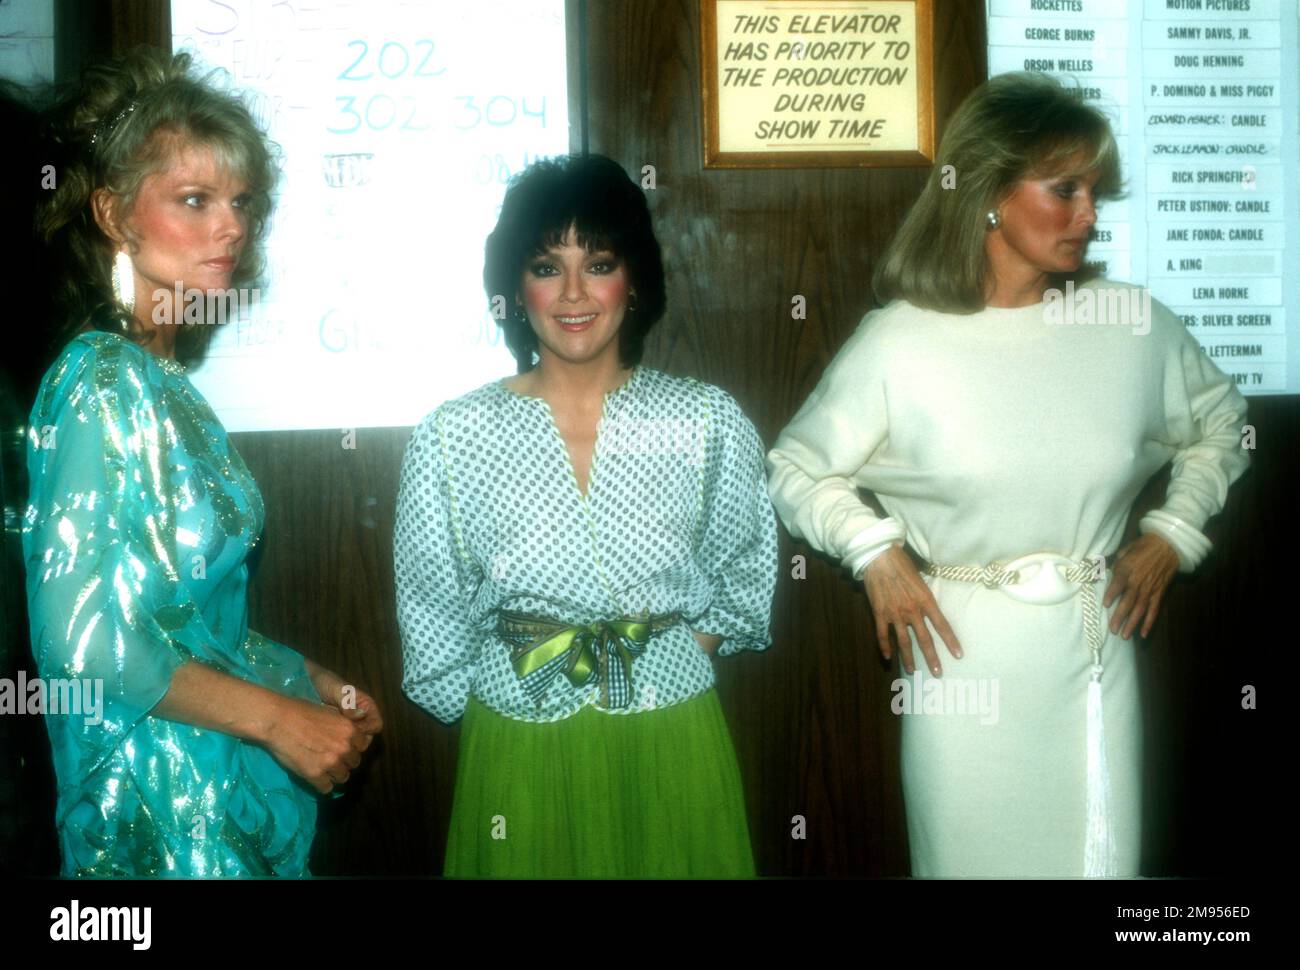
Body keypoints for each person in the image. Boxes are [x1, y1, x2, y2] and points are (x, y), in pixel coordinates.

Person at [766, 72, 1250, 878]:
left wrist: (1174, 531)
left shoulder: (1129, 324)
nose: (1089, 214)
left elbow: (1225, 425)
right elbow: (795, 465)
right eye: (1065, 189)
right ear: (987, 191)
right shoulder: (902, 341)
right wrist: (873, 550)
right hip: (960, 661)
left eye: (1095, 191)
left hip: (1097, 654)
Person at [25, 49, 382, 877]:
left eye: (241, 202)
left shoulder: (160, 380)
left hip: (204, 786)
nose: (231, 226)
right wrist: (275, 720)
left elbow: (178, 619)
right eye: (195, 200)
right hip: (154, 810)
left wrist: (301, 676)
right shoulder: (101, 378)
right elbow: (83, 647)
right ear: (114, 215)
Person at [395, 153, 777, 877]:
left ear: (634, 282)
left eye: (598, 263)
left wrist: (663, 654)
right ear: (516, 286)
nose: (573, 293)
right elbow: (431, 616)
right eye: (546, 267)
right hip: (518, 748)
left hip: (672, 738)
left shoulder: (705, 419)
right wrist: (500, 700)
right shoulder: (453, 434)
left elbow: (744, 572)